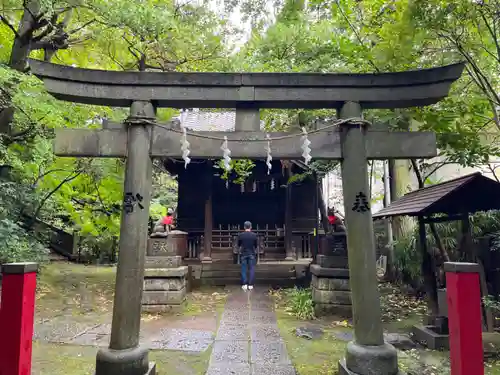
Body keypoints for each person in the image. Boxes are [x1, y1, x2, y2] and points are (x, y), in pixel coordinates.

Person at [238, 221, 258, 291]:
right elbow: (255, 245)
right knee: (251, 269)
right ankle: (250, 284)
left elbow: (239, 244)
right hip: (251, 253)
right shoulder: (254, 235)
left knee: (243, 269)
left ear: (244, 227)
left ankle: (244, 284)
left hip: (243, 253)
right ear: (251, 227)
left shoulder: (241, 235)